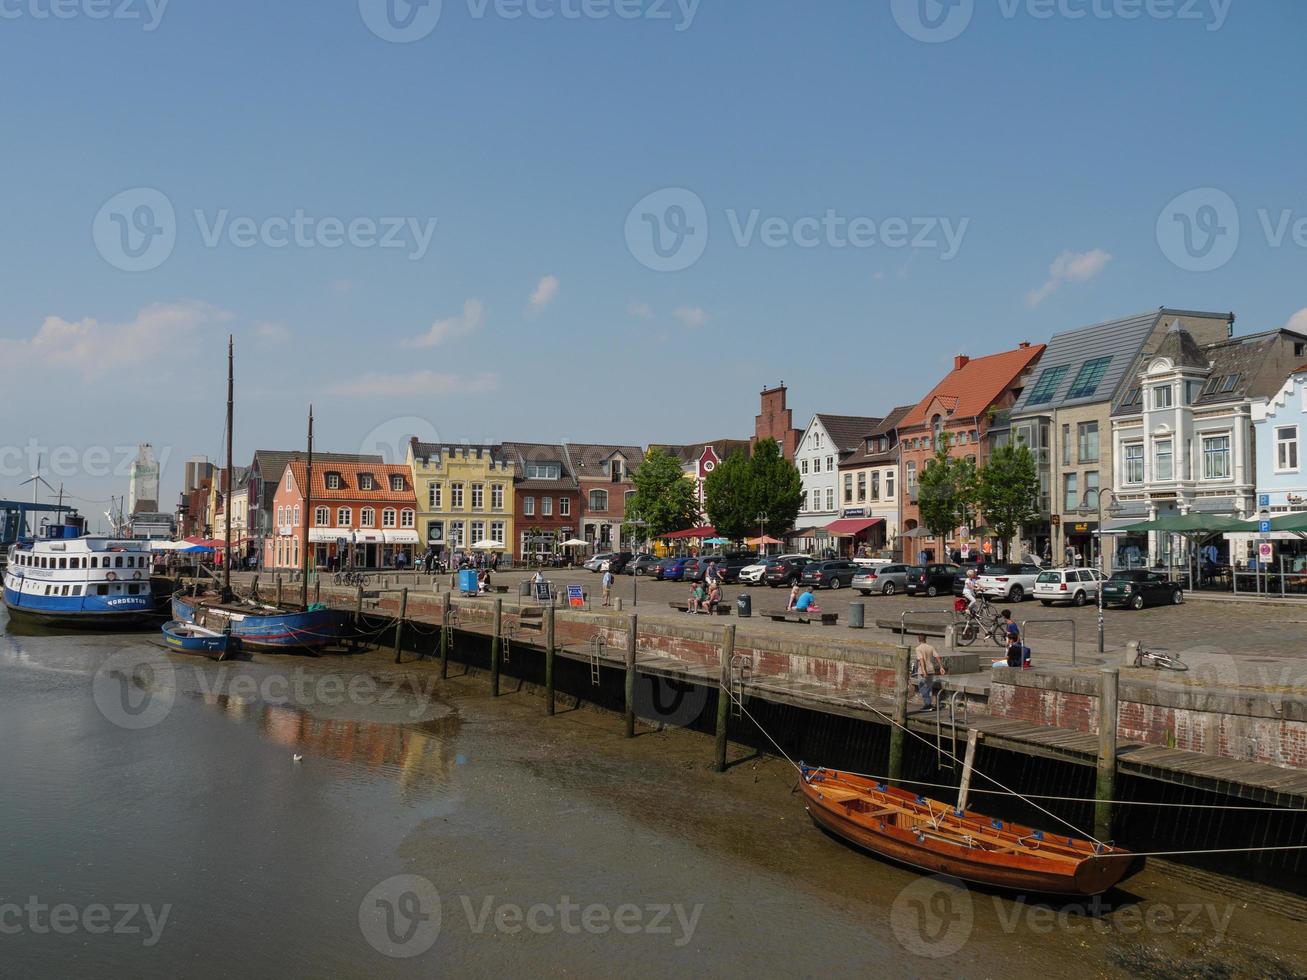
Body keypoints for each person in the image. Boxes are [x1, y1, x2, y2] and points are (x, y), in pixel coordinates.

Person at [914, 635, 946, 710]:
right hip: (931, 670)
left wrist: (924, 671)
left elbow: (921, 660)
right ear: (925, 639)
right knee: (927, 687)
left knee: (922, 688)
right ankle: (928, 704)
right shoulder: (931, 647)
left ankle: (928, 704)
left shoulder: (918, 649)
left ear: (918, 639)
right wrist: (941, 667)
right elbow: (938, 657)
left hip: (923, 671)